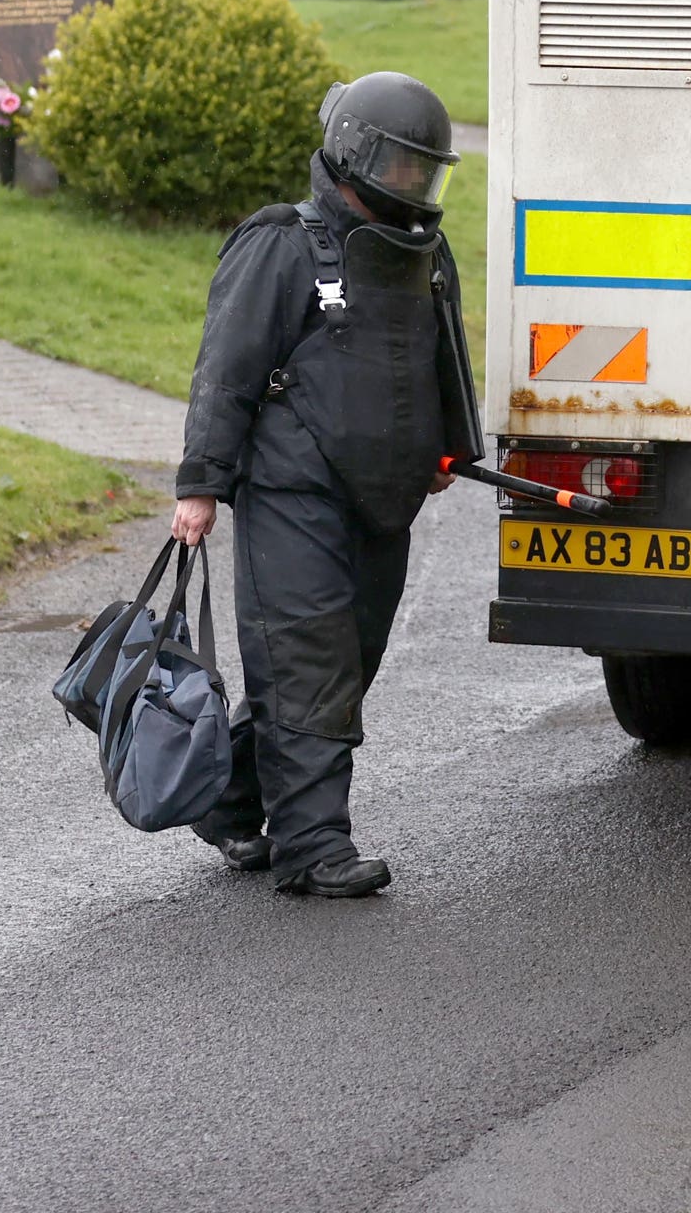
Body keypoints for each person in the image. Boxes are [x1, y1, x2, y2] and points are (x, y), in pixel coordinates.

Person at [172, 71, 479, 898]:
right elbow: (226, 371)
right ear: (354, 156)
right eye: (402, 167)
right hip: (289, 489)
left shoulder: (426, 253)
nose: (414, 185)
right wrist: (200, 486)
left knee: (343, 664)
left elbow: (443, 360)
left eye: (426, 171)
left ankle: (230, 798)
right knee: (308, 662)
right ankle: (313, 850)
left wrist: (451, 449)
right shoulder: (281, 243)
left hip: (385, 493)